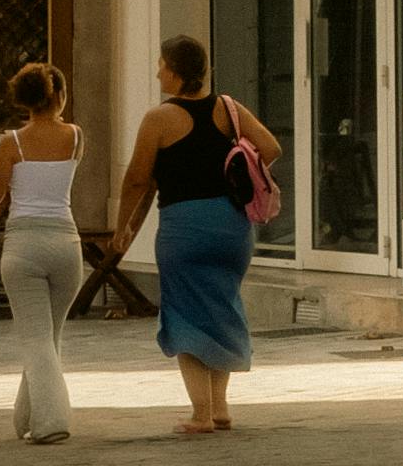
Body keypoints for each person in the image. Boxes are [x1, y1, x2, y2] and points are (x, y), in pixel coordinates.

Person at [103, 37, 280, 435]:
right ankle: (220, 407)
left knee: (184, 313)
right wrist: (236, 170)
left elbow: (137, 179)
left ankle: (200, 413)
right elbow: (270, 146)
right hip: (233, 226)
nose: (157, 72)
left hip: (184, 227)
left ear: (177, 70)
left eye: (161, 64)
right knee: (222, 306)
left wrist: (122, 230)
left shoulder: (159, 118)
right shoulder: (229, 108)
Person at [0, 60, 85, 444]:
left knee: (35, 339)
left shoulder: (10, 143)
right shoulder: (77, 136)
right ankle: (26, 417)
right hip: (67, 245)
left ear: (22, 101)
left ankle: (52, 422)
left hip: (24, 248)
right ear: (58, 96)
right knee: (49, 338)